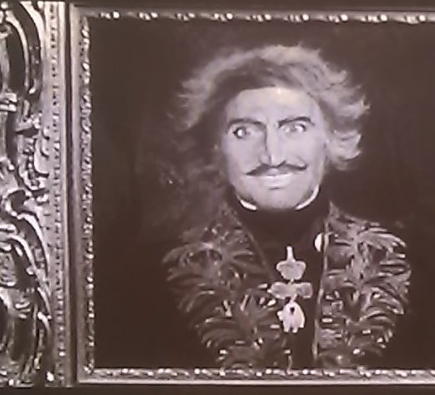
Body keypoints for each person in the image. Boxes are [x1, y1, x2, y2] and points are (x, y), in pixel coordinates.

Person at [162, 45, 411, 369]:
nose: (273, 155)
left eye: (295, 128)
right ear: (215, 148)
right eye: (244, 132)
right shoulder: (158, 274)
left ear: (331, 137)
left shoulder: (397, 259)